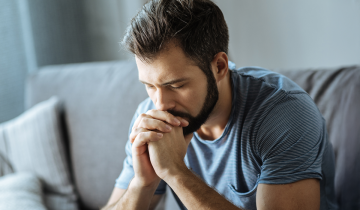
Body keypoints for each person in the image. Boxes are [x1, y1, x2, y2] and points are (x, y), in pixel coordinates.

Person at [102, 0, 337, 209]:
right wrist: (142, 184)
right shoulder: (150, 118)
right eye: (150, 86)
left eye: (176, 85)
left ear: (219, 67)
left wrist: (175, 172)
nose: (160, 104)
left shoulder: (284, 114)